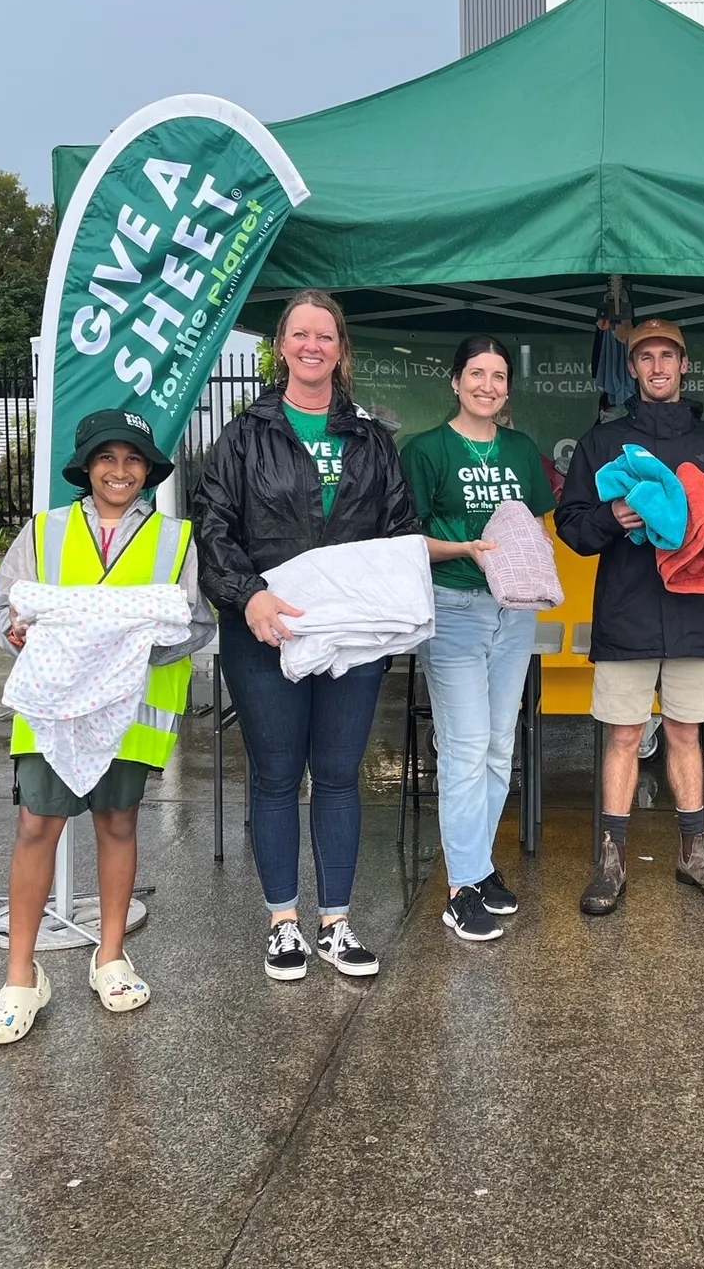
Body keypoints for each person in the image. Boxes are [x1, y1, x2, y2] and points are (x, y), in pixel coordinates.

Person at [192, 289, 420, 981]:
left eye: (325, 335)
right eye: (300, 334)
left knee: (341, 775)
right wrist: (248, 595)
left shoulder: (372, 439)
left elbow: (401, 530)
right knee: (276, 775)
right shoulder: (244, 435)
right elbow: (212, 526)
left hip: (350, 637)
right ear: (281, 346)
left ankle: (337, 925)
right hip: (266, 631)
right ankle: (283, 923)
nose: (312, 346)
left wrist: (386, 612)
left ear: (340, 349)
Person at [0, 409, 214, 1044]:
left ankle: (110, 957)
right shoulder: (44, 532)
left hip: (132, 710)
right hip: (53, 708)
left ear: (148, 471)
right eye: (107, 458)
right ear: (86, 467)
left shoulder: (175, 539)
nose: (120, 470)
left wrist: (124, 648)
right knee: (37, 825)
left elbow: (196, 621)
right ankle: (21, 977)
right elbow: (4, 605)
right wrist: (18, 634)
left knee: (118, 822)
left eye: (134, 459)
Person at [555, 318, 704, 914]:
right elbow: (572, 525)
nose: (658, 367)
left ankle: (695, 853)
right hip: (626, 614)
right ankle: (611, 860)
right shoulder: (604, 442)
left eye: (667, 356)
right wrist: (612, 515)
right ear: (633, 368)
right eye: (645, 357)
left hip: (695, 615)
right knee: (623, 735)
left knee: (685, 732)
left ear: (684, 365)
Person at [400, 335, 558, 942]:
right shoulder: (427, 450)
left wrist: (533, 558)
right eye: (476, 374)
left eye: (498, 376)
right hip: (455, 606)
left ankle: (479, 865)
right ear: (455, 381)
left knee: (497, 745)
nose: (487, 386)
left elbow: (536, 524)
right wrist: (464, 548)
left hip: (515, 610)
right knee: (464, 747)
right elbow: (407, 538)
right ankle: (460, 890)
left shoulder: (520, 450)